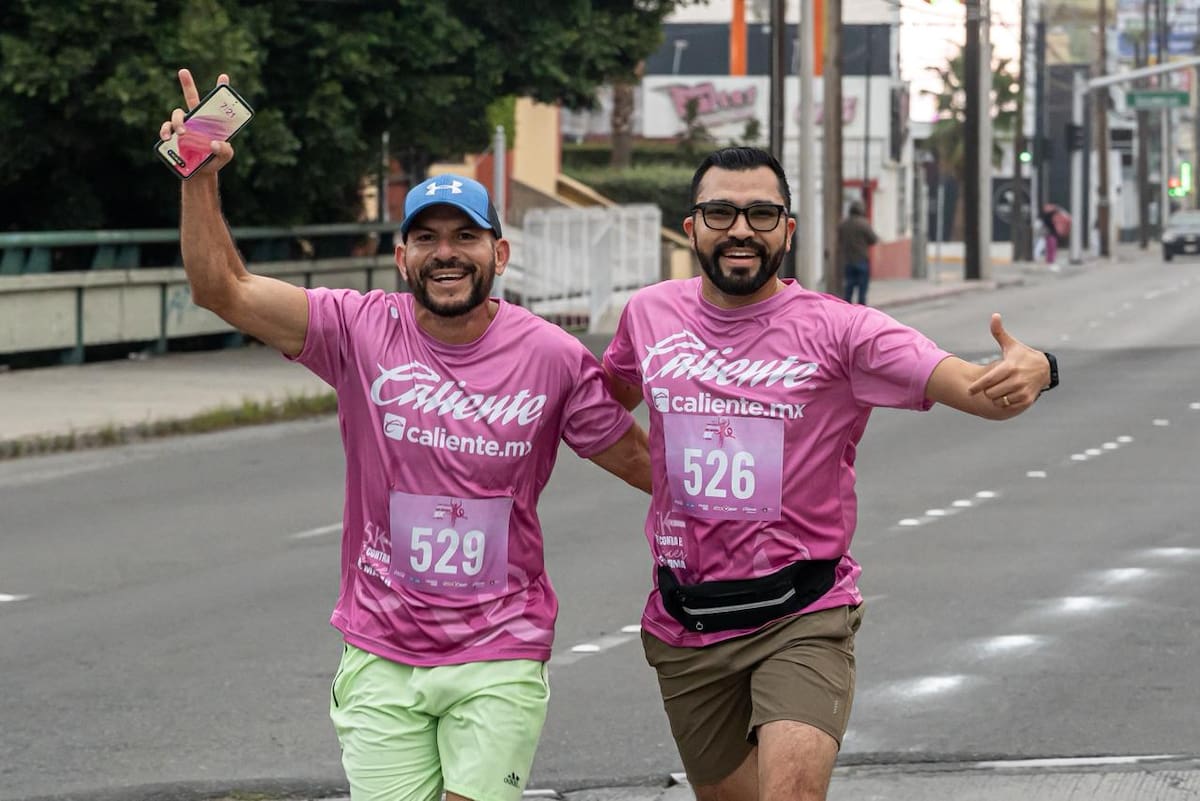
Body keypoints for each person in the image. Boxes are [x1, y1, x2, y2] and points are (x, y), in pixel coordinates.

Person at [159, 69, 651, 801]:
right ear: (402, 258)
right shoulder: (357, 328)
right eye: (426, 238)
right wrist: (197, 169)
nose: (446, 252)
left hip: (499, 648)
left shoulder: (550, 355)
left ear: (500, 255)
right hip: (380, 651)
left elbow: (650, 465)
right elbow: (220, 289)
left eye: (465, 237)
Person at [601, 147, 1058, 801]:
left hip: (801, 614)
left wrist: (1037, 366)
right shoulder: (648, 316)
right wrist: (666, 476)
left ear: (788, 230)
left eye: (762, 213)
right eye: (720, 211)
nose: (740, 230)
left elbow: (980, 389)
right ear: (690, 227)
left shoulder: (844, 332)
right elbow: (596, 405)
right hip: (687, 625)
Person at [836, 199, 878, 305]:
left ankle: (846, 313)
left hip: (848, 260)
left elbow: (839, 240)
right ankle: (861, 314)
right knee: (862, 291)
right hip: (861, 260)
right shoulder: (864, 224)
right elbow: (873, 239)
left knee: (848, 289)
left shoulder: (843, 224)